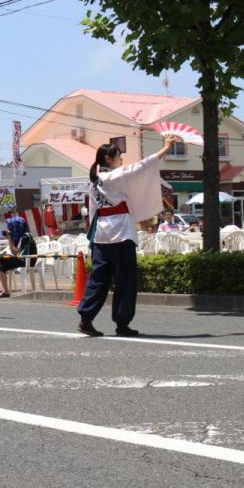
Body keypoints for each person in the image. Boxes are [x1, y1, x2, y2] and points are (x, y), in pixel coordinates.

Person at [77, 135, 177, 337]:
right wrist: (165, 148)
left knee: (99, 278)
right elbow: (142, 166)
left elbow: (93, 212)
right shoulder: (116, 176)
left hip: (101, 235)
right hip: (121, 232)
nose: (122, 159)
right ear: (108, 159)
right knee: (125, 279)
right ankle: (122, 323)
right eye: (118, 156)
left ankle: (86, 318)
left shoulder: (94, 181)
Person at [0, 220, 37, 298]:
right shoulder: (21, 236)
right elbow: (14, 251)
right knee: (2, 267)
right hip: (21, 259)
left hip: (27, 260)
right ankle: (5, 291)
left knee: (2, 256)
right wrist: (10, 237)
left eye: (12, 228)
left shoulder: (26, 237)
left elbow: (14, 252)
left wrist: (9, 238)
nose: (11, 230)